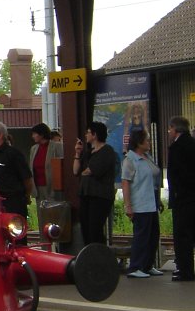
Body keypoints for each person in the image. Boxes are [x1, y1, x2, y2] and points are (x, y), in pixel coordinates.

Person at [121, 129, 163, 278]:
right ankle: (135, 266)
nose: (149, 143)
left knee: (153, 235)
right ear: (139, 142)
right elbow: (125, 182)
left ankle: (147, 265)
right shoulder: (130, 160)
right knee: (141, 236)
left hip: (151, 202)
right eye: (147, 140)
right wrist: (128, 205)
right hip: (140, 203)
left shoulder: (147, 157)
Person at [72, 121, 118, 246]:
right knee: (85, 229)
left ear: (95, 134)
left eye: (88, 133)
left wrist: (85, 171)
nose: (86, 135)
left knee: (95, 229)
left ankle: (99, 257)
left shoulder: (107, 151)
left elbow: (89, 171)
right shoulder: (88, 153)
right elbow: (76, 170)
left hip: (100, 196)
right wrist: (77, 153)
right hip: (85, 194)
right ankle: (89, 256)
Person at [167, 116, 195, 282]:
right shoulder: (193, 143)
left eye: (170, 129)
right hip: (193, 197)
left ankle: (185, 271)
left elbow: (176, 175)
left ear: (175, 129)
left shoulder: (177, 147)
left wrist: (176, 194)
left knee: (182, 235)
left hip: (183, 198)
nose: (169, 132)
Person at [28, 123, 64, 203]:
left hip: (52, 187)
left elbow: (61, 165)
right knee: (41, 212)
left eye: (34, 134)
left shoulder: (56, 146)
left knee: (53, 212)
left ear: (42, 134)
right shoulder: (34, 149)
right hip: (38, 187)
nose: (33, 136)